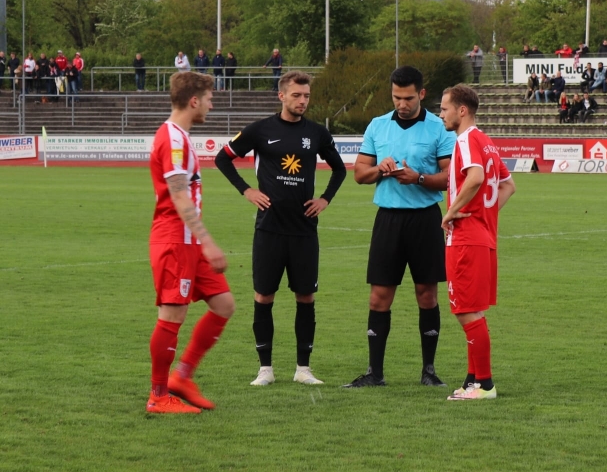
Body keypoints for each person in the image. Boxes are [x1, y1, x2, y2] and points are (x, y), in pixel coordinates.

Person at [215, 71, 346, 386]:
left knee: (306, 297)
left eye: (306, 96)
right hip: (269, 229)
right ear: (282, 96)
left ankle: (303, 369)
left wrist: (325, 199)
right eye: (296, 95)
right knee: (264, 296)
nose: (302, 101)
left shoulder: (317, 133)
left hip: (304, 231)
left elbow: (340, 169)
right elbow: (223, 159)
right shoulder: (260, 130)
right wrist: (247, 190)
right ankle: (265, 370)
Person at [344, 66, 454, 388]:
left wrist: (418, 178)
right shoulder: (378, 125)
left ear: (421, 94)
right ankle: (374, 373)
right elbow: (359, 173)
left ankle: (429, 372)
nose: (402, 104)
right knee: (379, 297)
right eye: (396, 97)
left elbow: (449, 177)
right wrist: (380, 169)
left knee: (427, 294)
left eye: (408, 98)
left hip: (425, 219)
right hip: (388, 219)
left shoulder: (438, 128)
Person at [146, 71, 235, 414]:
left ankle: (181, 378)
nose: (212, 105)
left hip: (188, 241)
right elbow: (179, 196)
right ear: (194, 100)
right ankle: (158, 396)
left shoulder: (180, 136)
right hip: (175, 239)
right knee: (172, 313)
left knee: (223, 304)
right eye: (209, 99)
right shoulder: (173, 138)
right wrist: (208, 242)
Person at [438, 85, 515, 400]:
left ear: (462, 110)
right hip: (483, 236)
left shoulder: (466, 139)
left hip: (466, 238)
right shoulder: (487, 142)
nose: (441, 114)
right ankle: (472, 381)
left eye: (444, 108)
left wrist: (451, 213)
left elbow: (476, 177)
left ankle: (484, 384)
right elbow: (508, 186)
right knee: (471, 311)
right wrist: (484, 215)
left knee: (467, 312)